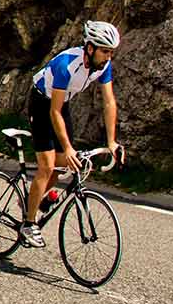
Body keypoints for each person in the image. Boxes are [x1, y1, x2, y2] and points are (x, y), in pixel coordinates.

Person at [23, 20, 122, 247]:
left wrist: (111, 142)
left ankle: (34, 199)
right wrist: (66, 148)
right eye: (105, 51)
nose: (108, 57)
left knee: (68, 164)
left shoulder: (103, 66)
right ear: (90, 48)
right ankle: (29, 223)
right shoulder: (67, 64)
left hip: (62, 103)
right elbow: (54, 111)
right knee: (48, 164)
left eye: (111, 52)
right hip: (42, 103)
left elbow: (109, 103)